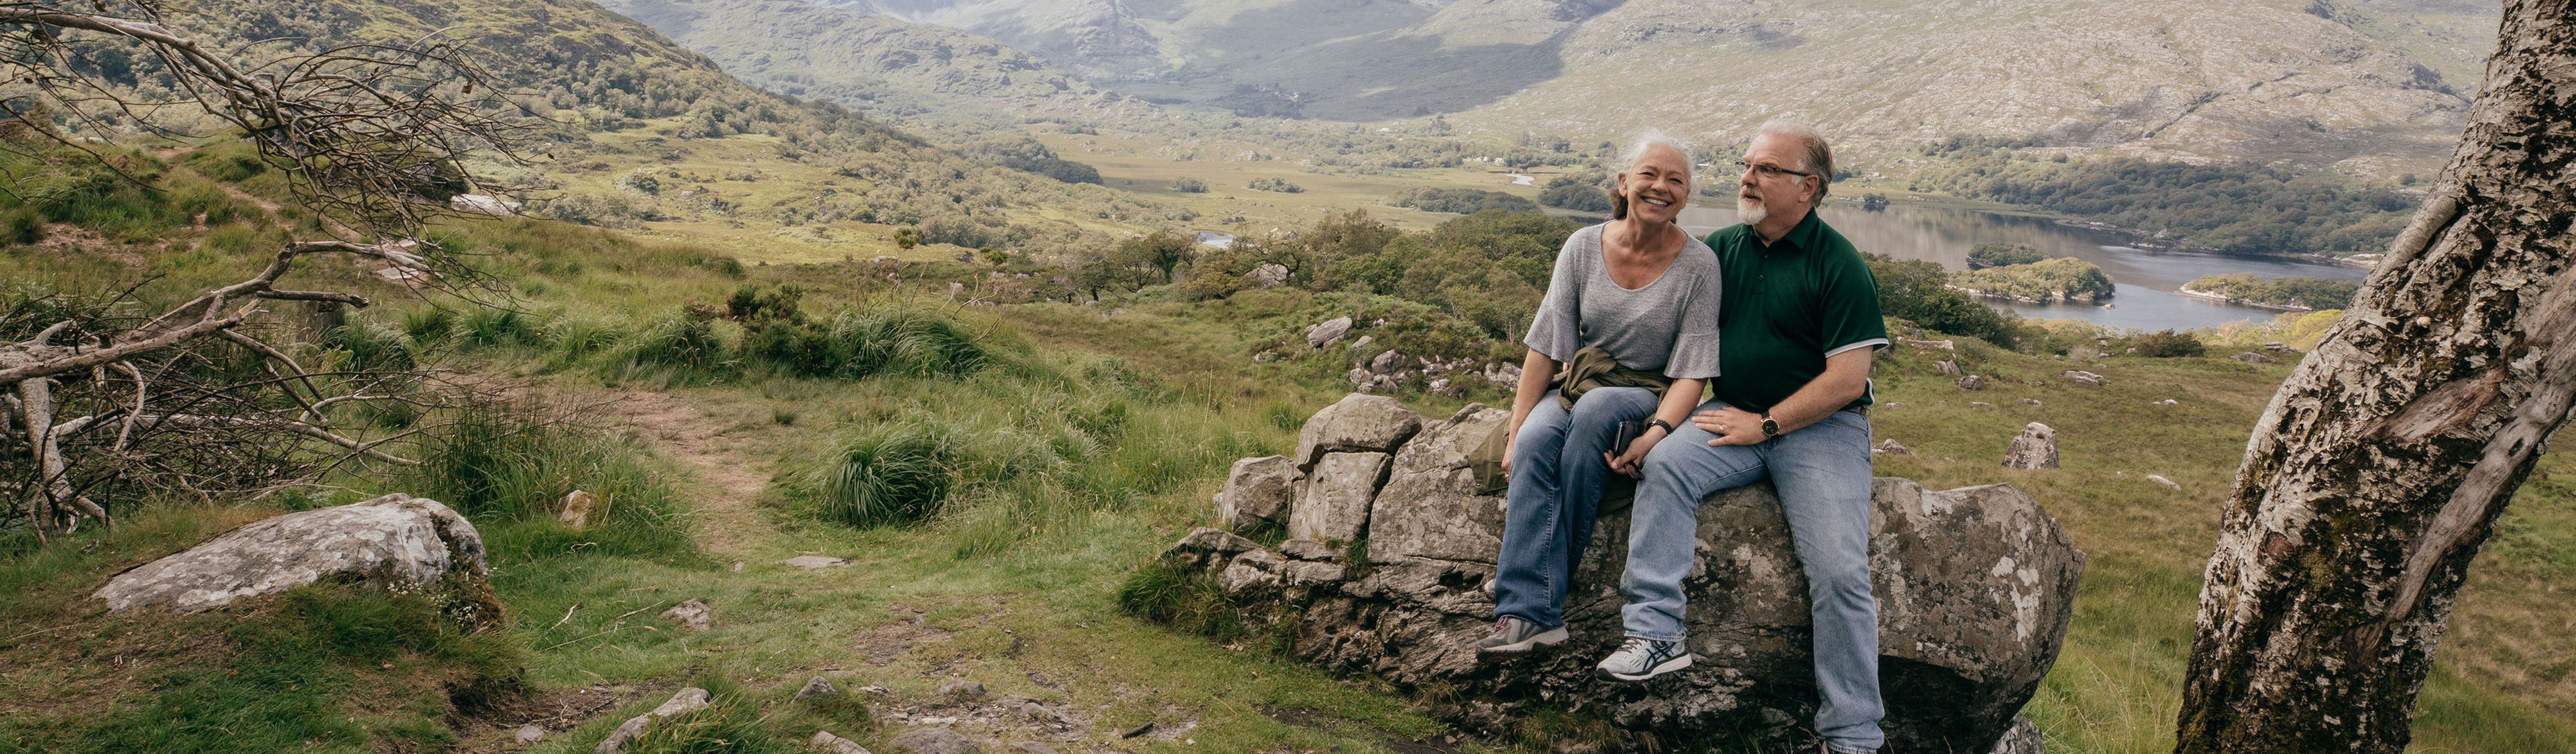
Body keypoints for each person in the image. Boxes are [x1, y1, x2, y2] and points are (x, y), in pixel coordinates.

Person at [1601, 123, 1889, 754]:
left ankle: (1854, 735)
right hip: (1733, 413)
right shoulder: (1720, 251)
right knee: (1667, 468)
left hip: (1822, 431)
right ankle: (1656, 637)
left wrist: (1767, 424)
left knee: (1839, 571)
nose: (1746, 178)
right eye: (1746, 165)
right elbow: (1668, 335)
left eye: (1766, 169)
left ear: (1808, 188)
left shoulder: (1838, 264)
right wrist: (1644, 424)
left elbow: (1847, 379)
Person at [1473, 132, 1724, 659]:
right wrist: (1516, 427)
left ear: (1686, 195)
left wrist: (1657, 435)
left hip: (1647, 394)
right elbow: (1546, 348)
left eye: (1675, 180)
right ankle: (1533, 614)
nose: (1661, 187)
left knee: (1595, 411)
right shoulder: (1583, 246)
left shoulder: (1700, 266)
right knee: (1539, 439)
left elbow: (1692, 375)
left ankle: (1531, 598)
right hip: (1581, 382)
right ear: (1624, 183)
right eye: (1650, 175)